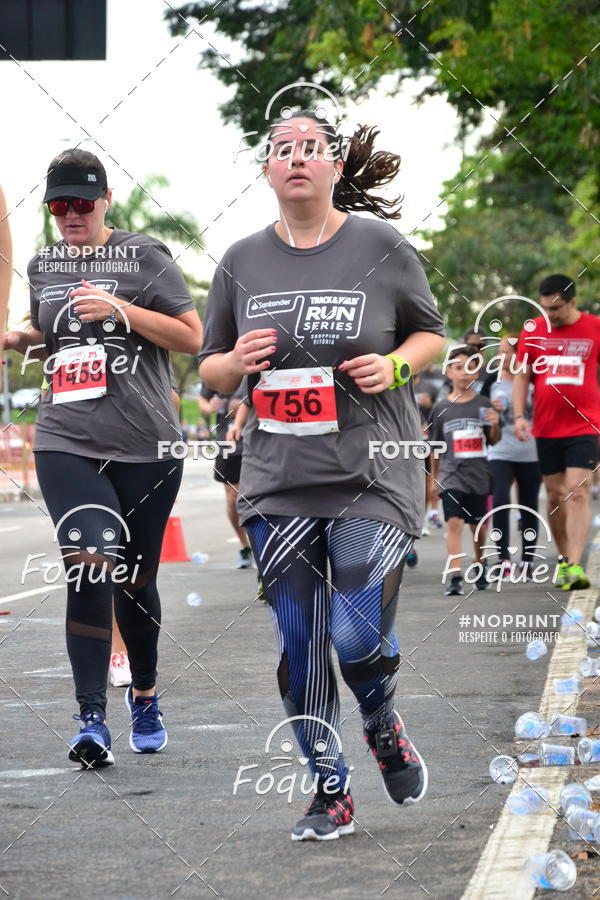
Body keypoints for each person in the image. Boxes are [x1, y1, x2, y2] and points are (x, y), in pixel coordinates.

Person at [198, 110, 445, 840]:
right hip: (277, 479)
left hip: (371, 474)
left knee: (354, 637)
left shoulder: (380, 245)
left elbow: (431, 331)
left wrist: (396, 363)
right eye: (282, 150)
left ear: (336, 167)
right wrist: (236, 362)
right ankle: (329, 791)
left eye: (312, 148)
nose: (296, 158)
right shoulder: (241, 259)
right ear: (267, 170)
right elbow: (209, 365)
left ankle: (382, 721)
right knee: (299, 638)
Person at [2, 149, 202, 767]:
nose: (70, 215)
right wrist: (22, 337)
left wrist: (123, 310)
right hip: (67, 436)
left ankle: (144, 694)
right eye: (58, 205)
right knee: (90, 565)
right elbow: (58, 332)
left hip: (146, 444)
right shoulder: (44, 265)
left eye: (80, 204)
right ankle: (91, 720)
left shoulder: (144, 256)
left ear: (104, 200)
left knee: (134, 584)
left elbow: (193, 337)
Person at [513, 274, 600, 590]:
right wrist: (520, 415)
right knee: (554, 496)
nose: (551, 315)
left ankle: (575, 565)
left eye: (557, 308)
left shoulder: (595, 328)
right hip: (546, 426)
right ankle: (564, 559)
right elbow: (522, 377)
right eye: (546, 308)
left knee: (577, 491)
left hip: (585, 423)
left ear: (573, 302)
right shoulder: (533, 330)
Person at [429, 347, 501, 596]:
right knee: (453, 522)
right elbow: (435, 447)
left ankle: (480, 563)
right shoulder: (440, 408)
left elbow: (493, 441)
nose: (463, 373)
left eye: (469, 368)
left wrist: (494, 424)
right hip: (450, 474)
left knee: (477, 526)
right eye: (458, 367)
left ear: (476, 372)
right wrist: (434, 478)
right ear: (448, 371)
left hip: (478, 473)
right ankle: (455, 574)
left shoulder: (484, 404)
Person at [488, 336, 541, 578]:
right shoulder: (491, 381)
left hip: (531, 452)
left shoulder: (534, 380)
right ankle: (503, 559)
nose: (502, 357)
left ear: (520, 354)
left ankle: (528, 560)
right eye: (499, 352)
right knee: (500, 500)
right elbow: (481, 418)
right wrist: (491, 414)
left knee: (529, 504)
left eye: (507, 352)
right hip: (500, 450)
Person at [198, 384, 253, 568]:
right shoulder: (219, 364)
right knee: (233, 499)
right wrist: (209, 407)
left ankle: (264, 547)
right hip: (228, 444)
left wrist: (243, 405)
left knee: (259, 499)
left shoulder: (261, 361)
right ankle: (246, 547)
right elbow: (203, 400)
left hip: (258, 442)